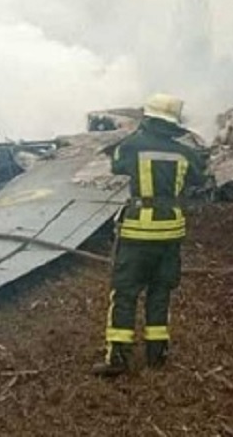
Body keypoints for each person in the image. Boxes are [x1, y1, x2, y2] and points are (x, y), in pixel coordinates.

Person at [91, 93, 207, 377]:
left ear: (148, 118)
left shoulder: (130, 146)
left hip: (138, 232)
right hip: (171, 232)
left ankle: (118, 357)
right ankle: (157, 355)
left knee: (126, 293)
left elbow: (116, 165)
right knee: (160, 293)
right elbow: (198, 178)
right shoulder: (187, 153)